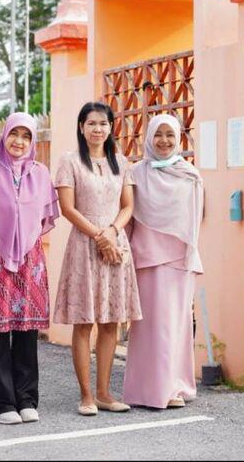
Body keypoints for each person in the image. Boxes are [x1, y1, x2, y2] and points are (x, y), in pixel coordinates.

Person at [0, 112, 60, 425]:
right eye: (14, 134)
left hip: (31, 262)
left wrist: (24, 242)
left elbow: (45, 219)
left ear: (33, 141)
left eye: (26, 136)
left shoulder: (40, 174)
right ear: (4, 135)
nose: (19, 141)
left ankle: (27, 399)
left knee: (27, 331)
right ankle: (2, 403)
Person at [53, 101, 142, 416]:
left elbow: (128, 206)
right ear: (81, 127)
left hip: (115, 246)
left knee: (110, 321)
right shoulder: (70, 161)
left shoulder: (121, 162)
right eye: (91, 123)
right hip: (84, 245)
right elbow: (67, 208)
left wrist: (112, 232)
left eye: (103, 123)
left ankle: (105, 393)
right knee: (84, 322)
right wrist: (99, 236)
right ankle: (86, 395)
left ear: (110, 127)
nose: (97, 129)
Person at [122, 114, 204, 409]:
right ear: (149, 137)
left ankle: (174, 387)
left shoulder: (190, 175)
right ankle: (146, 390)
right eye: (158, 134)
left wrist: (191, 257)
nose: (164, 141)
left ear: (179, 138)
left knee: (175, 326)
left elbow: (194, 223)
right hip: (146, 259)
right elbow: (127, 217)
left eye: (170, 134)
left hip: (179, 261)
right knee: (149, 329)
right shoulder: (135, 174)